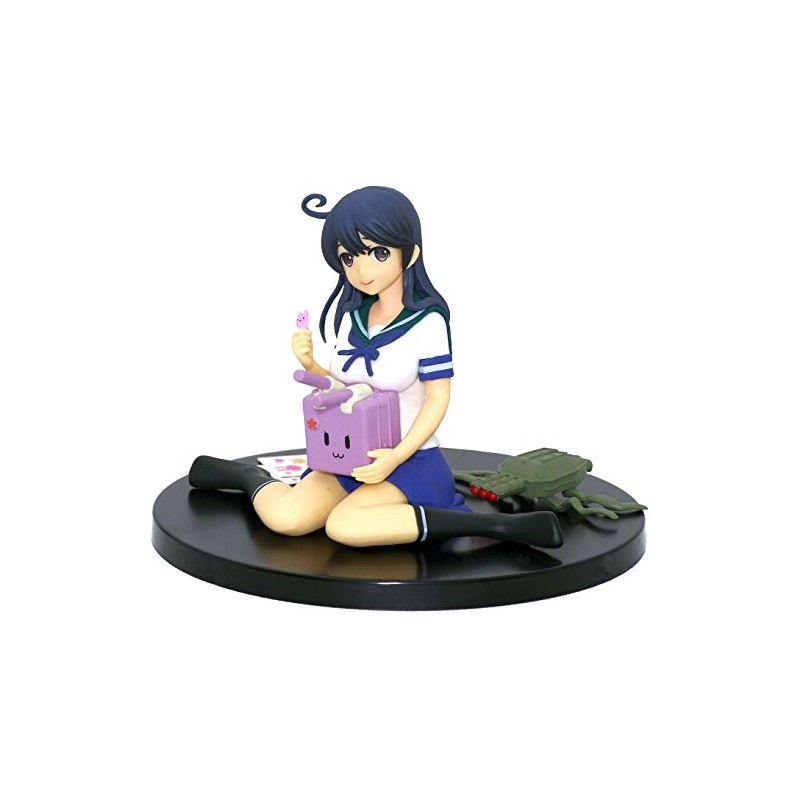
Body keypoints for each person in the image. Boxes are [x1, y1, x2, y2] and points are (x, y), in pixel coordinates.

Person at [189, 187, 562, 548]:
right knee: (287, 518)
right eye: (349, 258)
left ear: (409, 253)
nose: (361, 270)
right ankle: (247, 476)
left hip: (410, 459)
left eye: (377, 253)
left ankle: (494, 526)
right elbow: (343, 389)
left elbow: (437, 398)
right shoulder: (353, 318)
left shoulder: (427, 323)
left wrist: (396, 456)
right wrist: (310, 363)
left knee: (346, 525)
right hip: (349, 455)